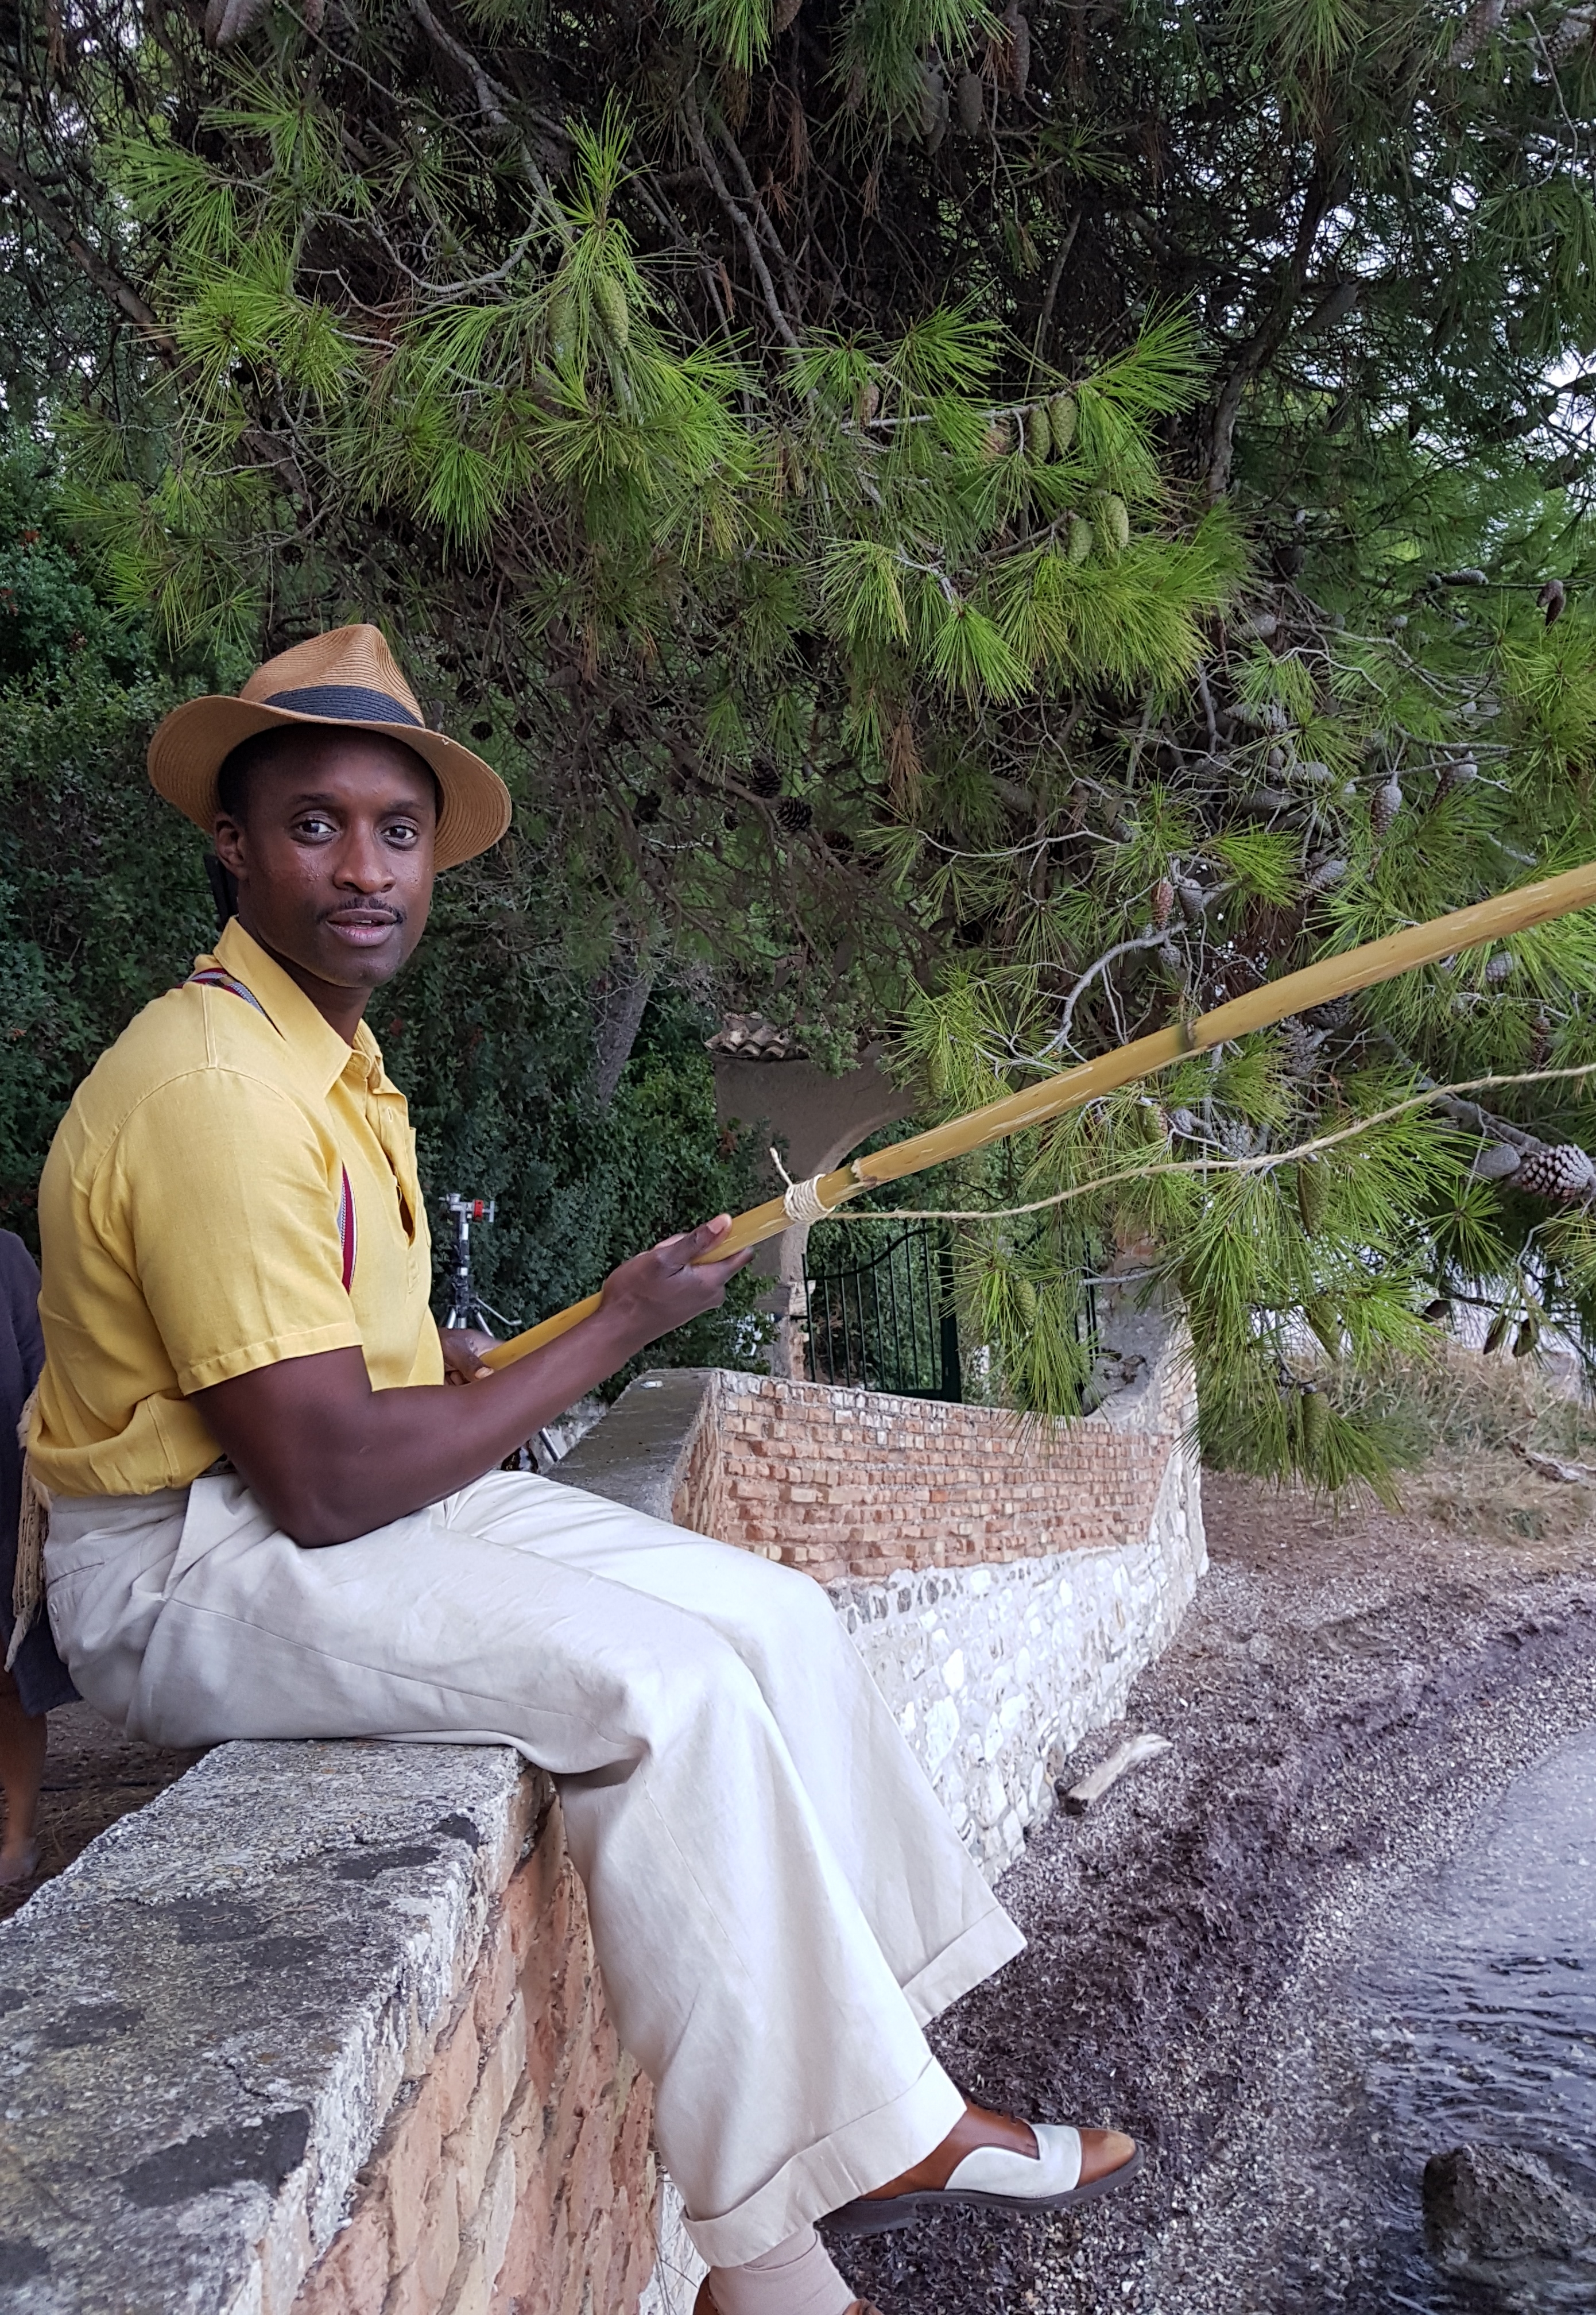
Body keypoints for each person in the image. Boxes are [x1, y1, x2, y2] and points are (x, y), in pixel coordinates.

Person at [25, 626, 1139, 2315]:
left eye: (397, 832)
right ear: (231, 847)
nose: (363, 866)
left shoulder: (333, 1064)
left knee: (774, 1618)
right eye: (313, 823)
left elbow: (348, 1380)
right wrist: (611, 1329)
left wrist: (463, 1360)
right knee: (668, 1686)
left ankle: (888, 2090)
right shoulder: (207, 1084)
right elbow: (323, 1477)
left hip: (314, 1495)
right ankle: (810, 2222)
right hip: (193, 1559)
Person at [0, 1230, 78, 1884]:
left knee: (7, 1681)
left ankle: (18, 1834)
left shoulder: (4, 1258)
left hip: (1, 1498)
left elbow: (41, 1380)